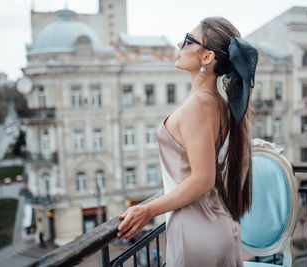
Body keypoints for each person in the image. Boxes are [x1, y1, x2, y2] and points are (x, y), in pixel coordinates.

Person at [117, 16, 258, 266]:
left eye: (188, 41)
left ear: (207, 57)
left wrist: (147, 210)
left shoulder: (200, 105)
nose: (179, 45)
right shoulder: (218, 104)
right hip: (212, 224)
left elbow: (203, 179)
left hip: (196, 230)